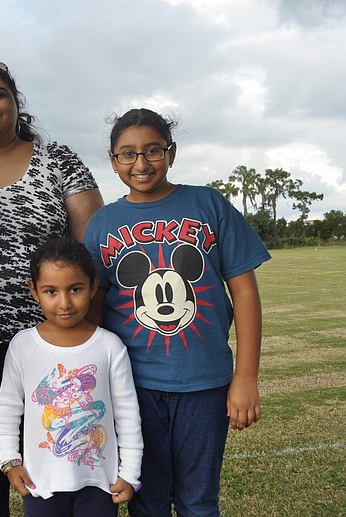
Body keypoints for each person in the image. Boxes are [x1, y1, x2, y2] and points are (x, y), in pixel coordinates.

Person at [83, 108, 270, 516]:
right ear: (113, 161)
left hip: (204, 383)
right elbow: (93, 312)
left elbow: (244, 292)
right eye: (127, 154)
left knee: (198, 500)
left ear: (172, 152)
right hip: (132, 386)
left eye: (153, 150)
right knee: (145, 499)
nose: (141, 163)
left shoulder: (208, 204)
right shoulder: (102, 224)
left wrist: (246, 377)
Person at [0, 61, 104, 516]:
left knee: (57, 449)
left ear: (17, 103)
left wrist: (89, 336)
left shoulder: (58, 160)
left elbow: (94, 252)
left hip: (53, 340)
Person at [0, 237, 143, 516]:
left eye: (75, 289)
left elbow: (127, 413)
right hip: (41, 484)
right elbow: (8, 408)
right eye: (51, 291)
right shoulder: (22, 346)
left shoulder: (110, 346)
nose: (64, 303)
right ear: (34, 290)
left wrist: (130, 472)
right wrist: (10, 461)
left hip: (100, 484)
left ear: (93, 286)